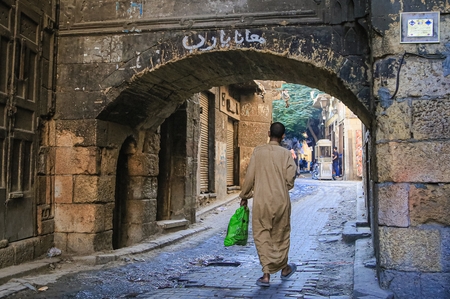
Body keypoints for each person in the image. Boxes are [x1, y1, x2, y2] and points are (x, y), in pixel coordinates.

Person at [239, 122, 298, 287]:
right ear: (283, 136)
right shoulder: (286, 154)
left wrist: (244, 196)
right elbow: (290, 178)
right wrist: (282, 186)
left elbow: (249, 176)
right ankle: (284, 268)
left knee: (262, 235)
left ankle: (266, 275)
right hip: (281, 201)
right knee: (281, 234)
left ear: (268, 133)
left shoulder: (258, 152)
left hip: (261, 201)